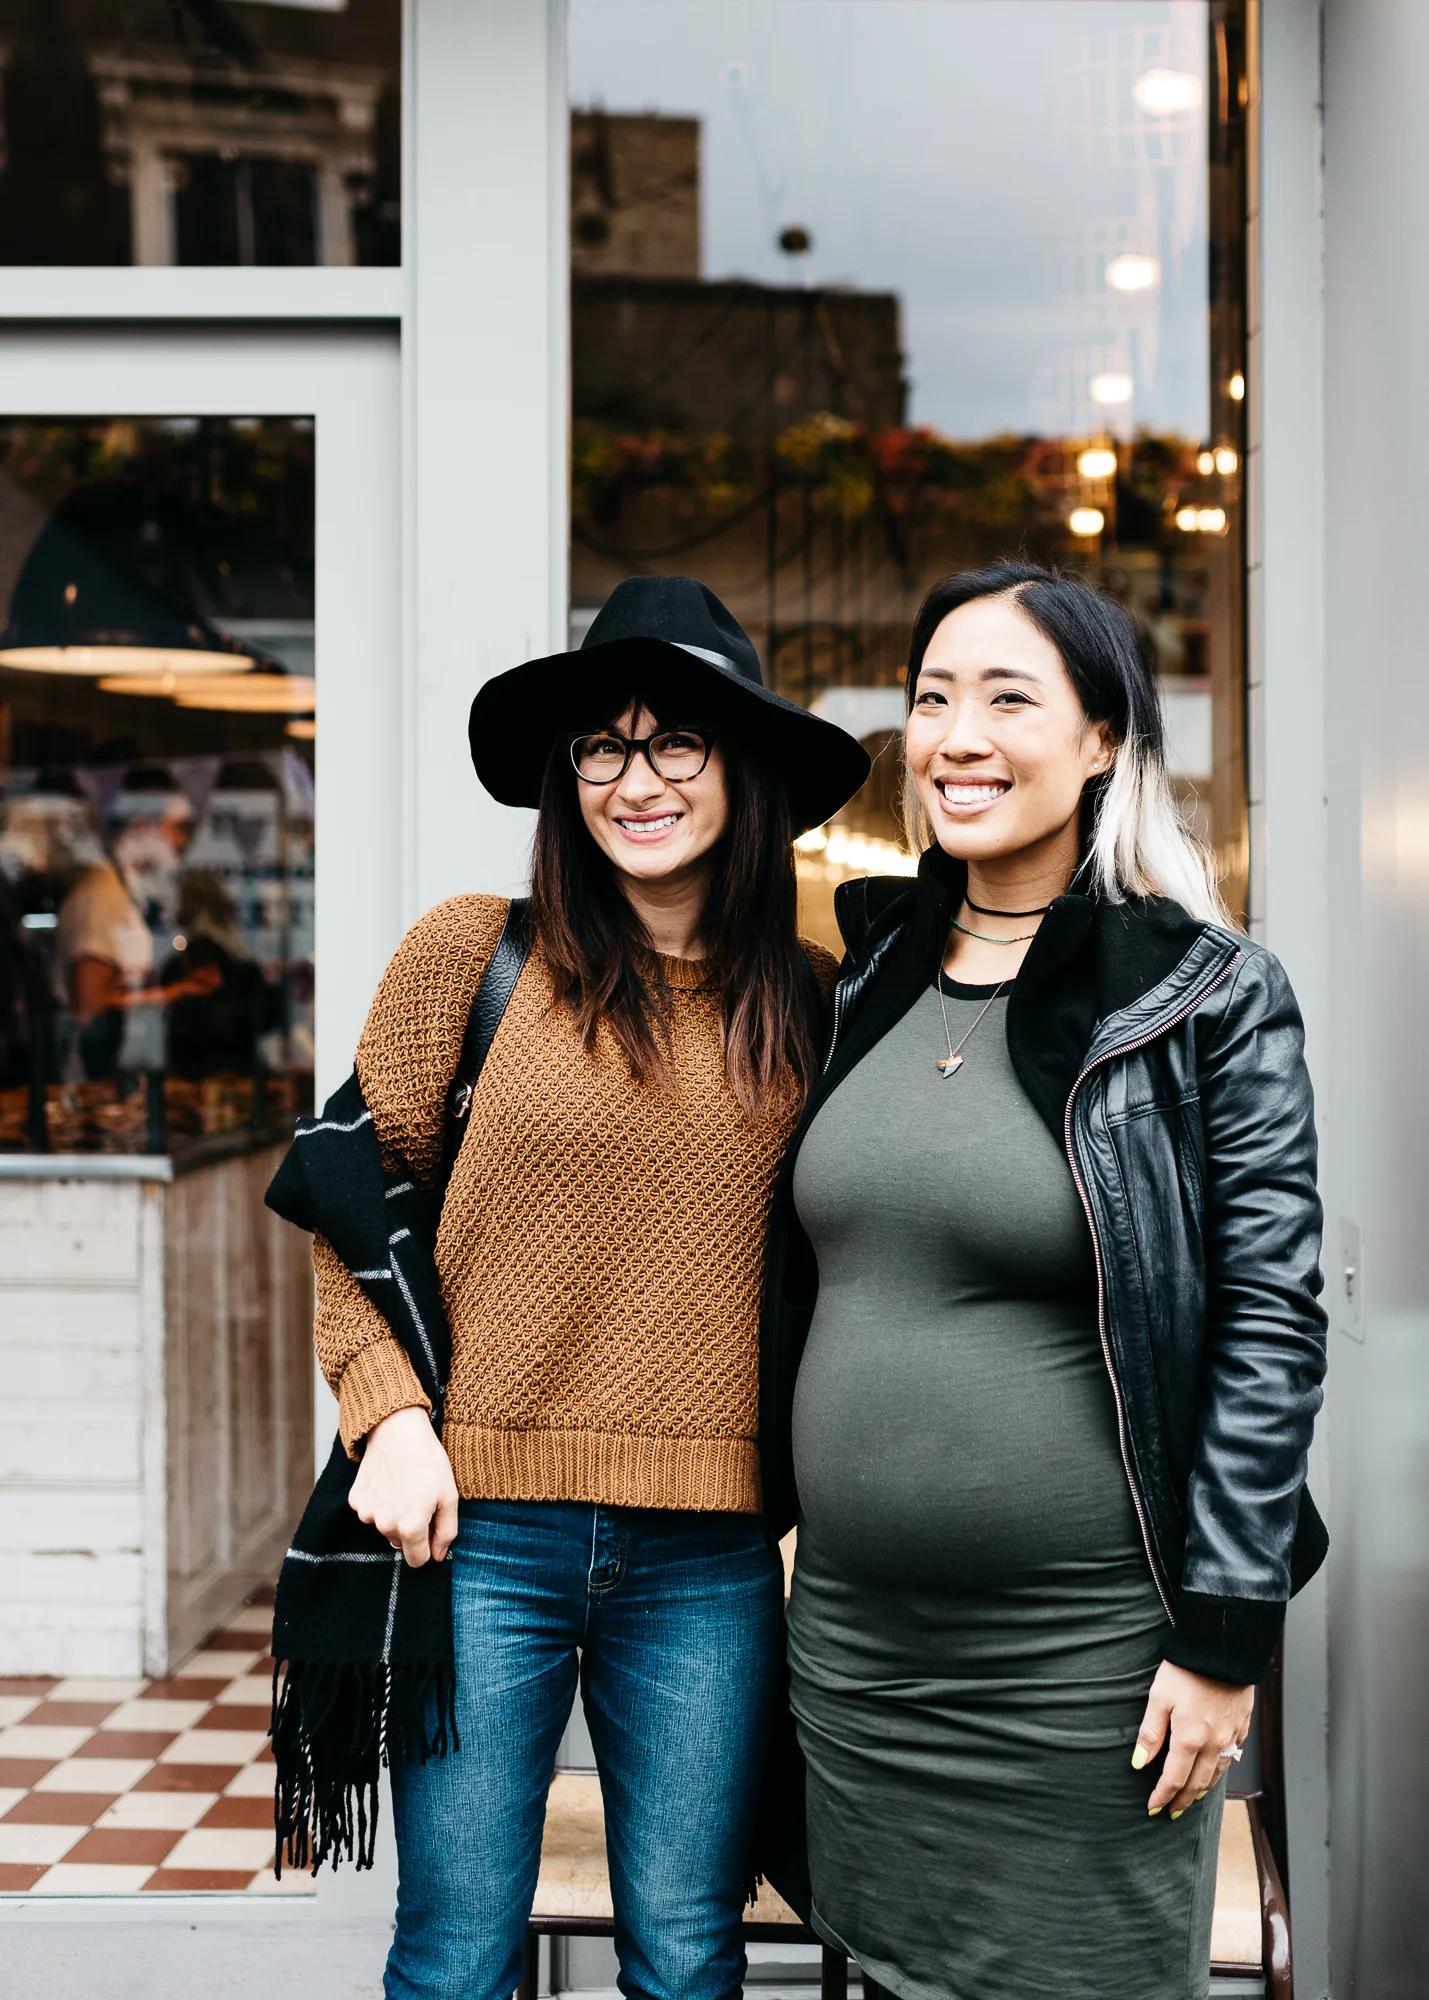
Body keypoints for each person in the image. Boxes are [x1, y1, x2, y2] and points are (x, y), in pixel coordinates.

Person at [761, 562, 1327, 2000]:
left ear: (1100, 741)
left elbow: (1270, 1327)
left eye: (1009, 699)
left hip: (1084, 1663)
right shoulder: (869, 977)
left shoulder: (1203, 995)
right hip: (858, 1651)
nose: (959, 737)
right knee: (890, 1973)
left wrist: (1225, 1633)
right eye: (932, 699)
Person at [311, 576, 868, 2000]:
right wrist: (388, 1416)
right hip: (480, 1536)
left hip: (711, 1557)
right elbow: (343, 1199)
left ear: (743, 772)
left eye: (677, 739)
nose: (637, 780)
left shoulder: (815, 1001)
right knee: (454, 1957)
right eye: (602, 748)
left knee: (686, 1959)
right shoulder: (473, 956)